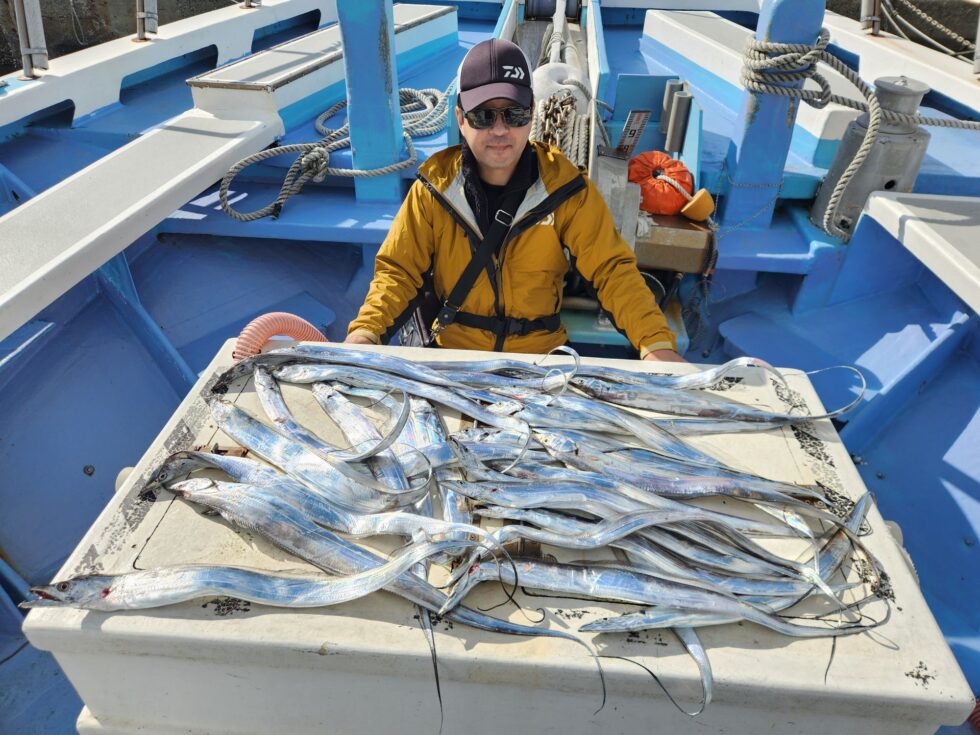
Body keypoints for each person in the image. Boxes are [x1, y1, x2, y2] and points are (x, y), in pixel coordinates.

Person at [346, 38, 684, 363]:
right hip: (454, 358)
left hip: (539, 361)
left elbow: (613, 272)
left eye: (514, 114)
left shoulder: (567, 191)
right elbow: (398, 273)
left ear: (532, 115)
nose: (499, 130)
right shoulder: (433, 190)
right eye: (483, 116)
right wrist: (365, 333)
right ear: (461, 120)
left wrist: (655, 344)